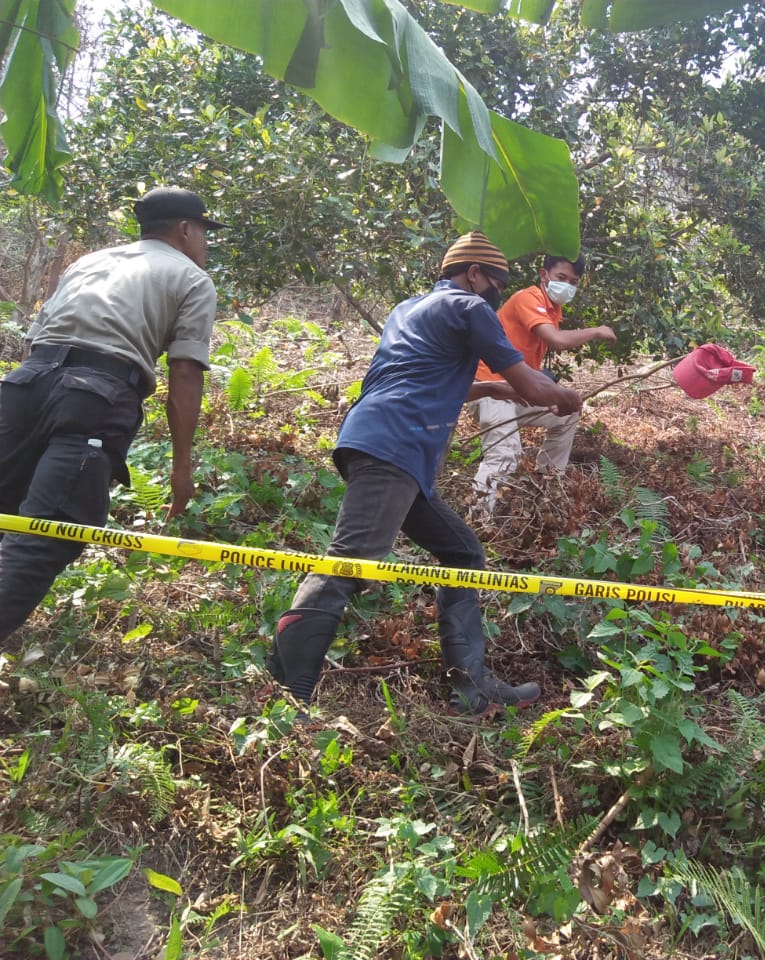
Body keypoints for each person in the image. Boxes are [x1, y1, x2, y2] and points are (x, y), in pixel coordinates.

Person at [266, 232, 583, 714]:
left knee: (462, 551)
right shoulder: (470, 307)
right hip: (395, 443)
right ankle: (291, 689)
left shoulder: (408, 308)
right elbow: (532, 384)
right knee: (348, 560)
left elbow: (422, 372)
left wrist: (490, 389)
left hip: (382, 440)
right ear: (473, 274)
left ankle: (472, 686)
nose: (496, 292)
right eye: (495, 282)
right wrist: (565, 398)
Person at [0, 187, 225, 645]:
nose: (205, 243)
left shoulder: (88, 262)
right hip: (96, 398)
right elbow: (184, 373)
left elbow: (40, 339)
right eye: (204, 232)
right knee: (50, 535)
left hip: (23, 385)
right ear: (184, 229)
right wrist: (181, 467)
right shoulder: (191, 278)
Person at [470, 253, 615, 508]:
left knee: (567, 414)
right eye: (562, 278)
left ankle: (547, 490)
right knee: (503, 456)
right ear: (543, 274)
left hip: (518, 389)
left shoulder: (552, 309)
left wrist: (545, 397)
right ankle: (479, 522)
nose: (568, 285)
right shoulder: (529, 298)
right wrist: (596, 330)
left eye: (574, 282)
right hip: (491, 387)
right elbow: (556, 341)